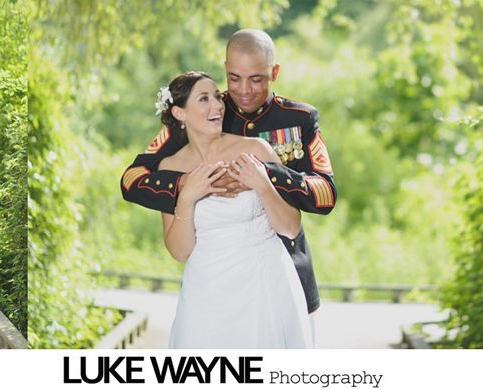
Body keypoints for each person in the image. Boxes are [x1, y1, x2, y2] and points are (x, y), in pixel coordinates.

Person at [121, 29, 336, 340]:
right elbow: (133, 178)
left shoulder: (298, 119)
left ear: (273, 73)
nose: (244, 90)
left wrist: (262, 176)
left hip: (284, 269)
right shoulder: (204, 111)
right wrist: (192, 185)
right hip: (212, 286)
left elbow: (325, 193)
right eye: (234, 78)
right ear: (224, 70)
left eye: (257, 79)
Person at [157, 72, 312, 348]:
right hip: (205, 292)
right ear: (180, 113)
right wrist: (187, 198)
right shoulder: (169, 168)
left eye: (217, 97)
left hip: (264, 285)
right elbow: (179, 252)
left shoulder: (256, 149)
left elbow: (291, 227)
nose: (218, 106)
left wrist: (263, 185)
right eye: (204, 99)